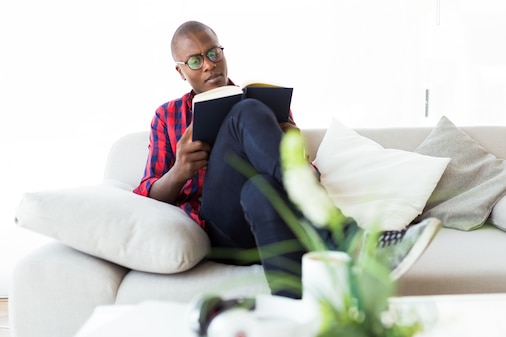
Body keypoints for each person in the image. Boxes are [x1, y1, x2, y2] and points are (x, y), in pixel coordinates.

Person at [134, 20, 435, 298]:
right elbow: (145, 195)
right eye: (196, 60)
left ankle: (292, 310)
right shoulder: (167, 117)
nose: (209, 65)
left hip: (273, 219)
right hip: (220, 231)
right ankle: (347, 237)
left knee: (260, 186)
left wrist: (296, 149)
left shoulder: (267, 106)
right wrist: (179, 171)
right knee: (245, 112)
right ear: (181, 71)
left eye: (214, 52)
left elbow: (309, 178)